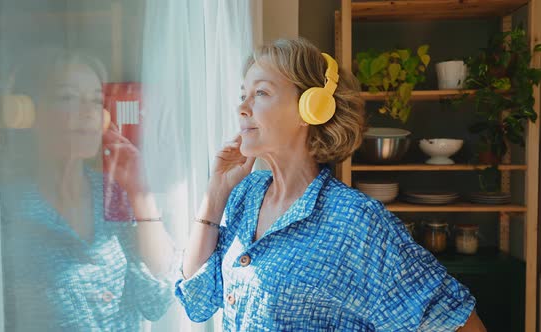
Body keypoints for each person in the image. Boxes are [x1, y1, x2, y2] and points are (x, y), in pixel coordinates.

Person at [175, 38, 487, 331]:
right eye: (243, 94)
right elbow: (197, 300)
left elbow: (457, 320)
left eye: (261, 93)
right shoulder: (246, 193)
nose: (242, 107)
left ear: (311, 109)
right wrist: (216, 193)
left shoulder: (356, 221)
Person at [0, 47, 175, 331]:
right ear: (28, 113)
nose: (88, 113)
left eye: (95, 101)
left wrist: (139, 192)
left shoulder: (114, 195)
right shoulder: (7, 208)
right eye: (67, 98)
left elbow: (157, 300)